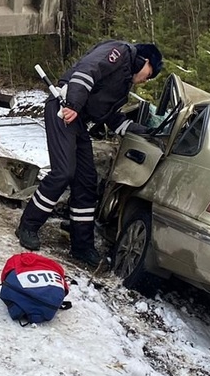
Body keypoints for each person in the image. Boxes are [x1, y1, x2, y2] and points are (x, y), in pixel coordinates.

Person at [15, 40, 164, 267]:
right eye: (149, 74)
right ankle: (28, 226)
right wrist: (73, 104)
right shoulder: (119, 52)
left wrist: (144, 132)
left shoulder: (123, 85)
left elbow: (110, 116)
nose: (146, 80)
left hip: (78, 121)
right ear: (146, 60)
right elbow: (86, 71)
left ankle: (82, 246)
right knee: (64, 172)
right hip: (63, 109)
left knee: (86, 181)